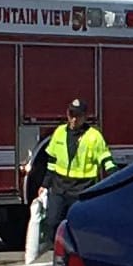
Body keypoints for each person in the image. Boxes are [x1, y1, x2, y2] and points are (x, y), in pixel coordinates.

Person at [41, 99, 116, 240]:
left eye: (78, 116)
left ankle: (74, 248)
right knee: (51, 222)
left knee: (77, 225)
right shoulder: (59, 132)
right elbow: (52, 161)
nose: (74, 119)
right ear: (67, 114)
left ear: (85, 117)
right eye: (72, 115)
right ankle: (58, 247)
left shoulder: (94, 136)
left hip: (82, 188)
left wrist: (116, 178)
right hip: (59, 186)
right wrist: (45, 184)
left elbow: (106, 160)